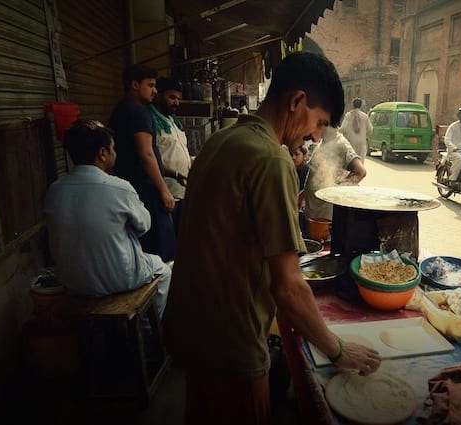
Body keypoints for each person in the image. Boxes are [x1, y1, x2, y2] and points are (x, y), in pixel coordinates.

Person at [163, 52, 381, 425]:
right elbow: (288, 286)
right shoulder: (270, 158)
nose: (315, 136)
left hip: (188, 330)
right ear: (296, 101)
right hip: (231, 345)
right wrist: (337, 349)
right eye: (319, 123)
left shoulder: (220, 142)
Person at [43, 119, 171, 317]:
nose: (115, 153)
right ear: (102, 153)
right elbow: (144, 226)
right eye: (113, 148)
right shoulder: (118, 187)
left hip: (71, 282)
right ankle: (148, 329)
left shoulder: (55, 190)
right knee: (164, 271)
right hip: (119, 278)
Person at [108, 64, 176, 262]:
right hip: (148, 191)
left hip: (130, 190)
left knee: (142, 247)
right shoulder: (139, 112)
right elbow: (146, 153)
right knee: (162, 251)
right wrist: (164, 190)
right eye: (151, 85)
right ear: (135, 85)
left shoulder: (119, 109)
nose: (155, 91)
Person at [149, 77, 192, 231]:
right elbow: (149, 157)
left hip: (181, 191)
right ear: (158, 95)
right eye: (172, 97)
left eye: (178, 99)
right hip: (165, 194)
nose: (176, 103)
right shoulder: (151, 121)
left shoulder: (173, 122)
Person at [303, 125, 366, 223]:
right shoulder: (323, 142)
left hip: (324, 216)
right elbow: (314, 174)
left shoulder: (341, 144)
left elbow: (360, 172)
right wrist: (302, 195)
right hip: (312, 211)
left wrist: (336, 191)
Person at [340, 97, 373, 161]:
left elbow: (343, 128)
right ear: (360, 106)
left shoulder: (348, 115)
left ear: (353, 105)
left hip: (351, 143)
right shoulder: (365, 116)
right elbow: (370, 129)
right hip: (361, 143)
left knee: (351, 162)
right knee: (360, 163)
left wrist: (337, 130)